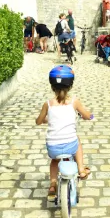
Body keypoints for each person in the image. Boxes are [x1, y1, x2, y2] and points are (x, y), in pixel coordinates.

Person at [36, 65, 92, 198]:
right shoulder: (74, 102)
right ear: (70, 86)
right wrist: (89, 116)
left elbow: (38, 121)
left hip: (53, 148)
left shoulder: (48, 104)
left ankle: (52, 184)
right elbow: (86, 115)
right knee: (77, 141)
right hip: (70, 145)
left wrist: (44, 120)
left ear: (52, 86)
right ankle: (81, 169)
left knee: (54, 161)